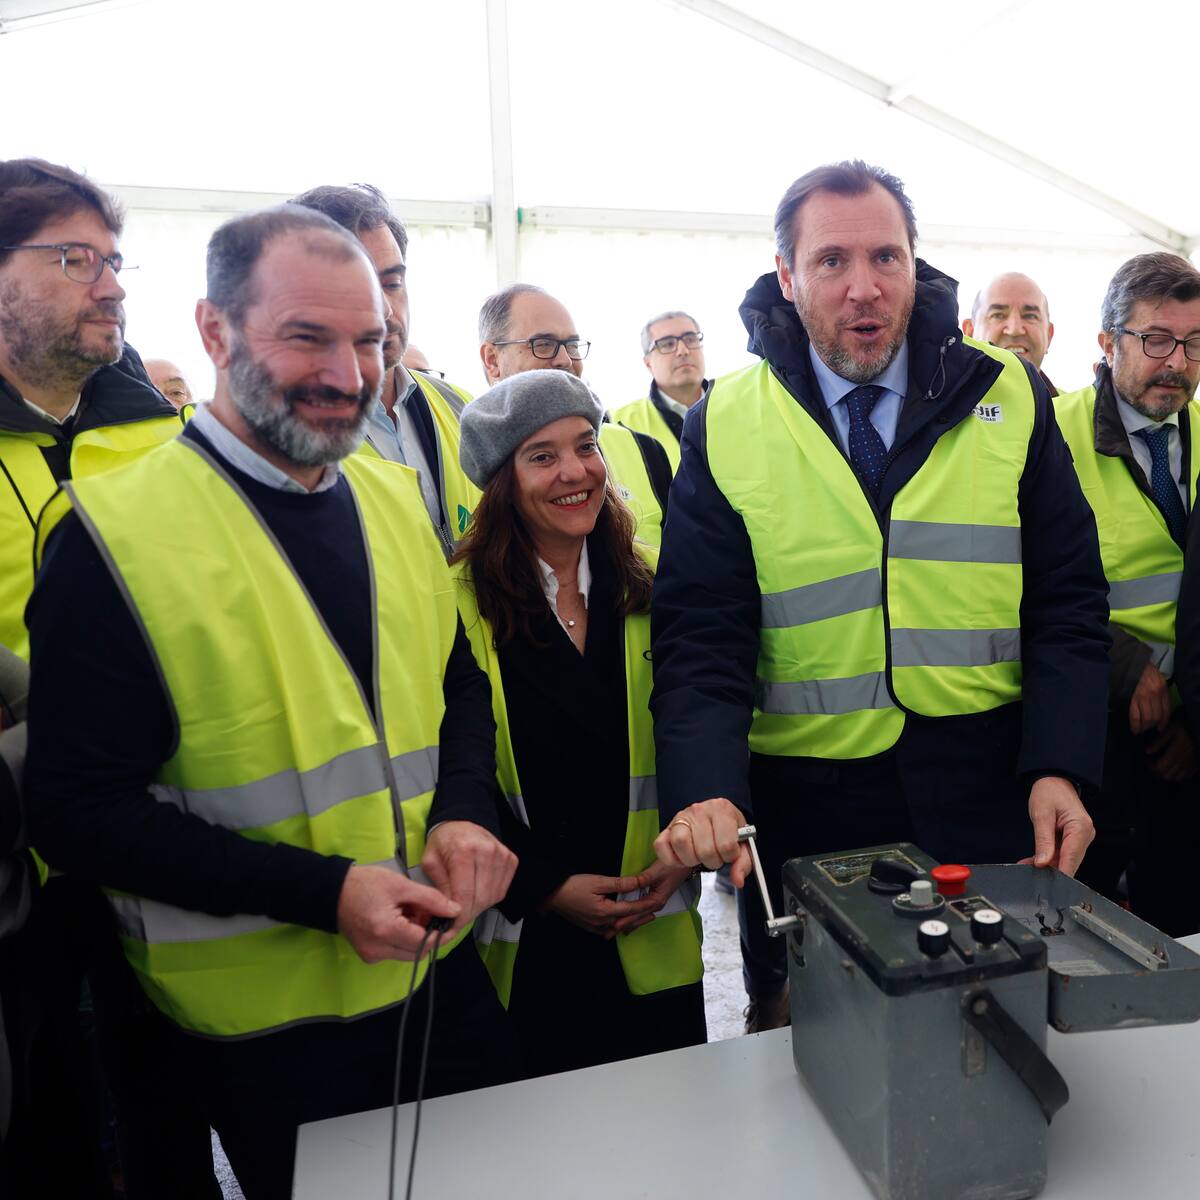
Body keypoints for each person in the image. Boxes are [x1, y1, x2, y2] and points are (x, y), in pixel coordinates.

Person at [24, 205, 520, 1200]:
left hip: (437, 980)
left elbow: (457, 683)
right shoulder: (113, 534)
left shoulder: (390, 498)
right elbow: (75, 812)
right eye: (307, 337)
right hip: (264, 1034)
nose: (348, 373)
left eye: (369, 340)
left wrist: (467, 809)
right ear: (214, 331)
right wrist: (324, 895)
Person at [650, 161, 1110, 1029]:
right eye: (831, 261)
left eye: (885, 258)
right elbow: (700, 633)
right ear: (787, 277)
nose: (863, 288)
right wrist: (707, 788)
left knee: (995, 1029)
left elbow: (1068, 600)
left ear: (913, 263)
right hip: (807, 813)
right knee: (818, 1044)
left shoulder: (1007, 395)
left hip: (987, 794)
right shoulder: (728, 420)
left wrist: (1060, 764)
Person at [0, 157, 204, 1199]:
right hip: (15, 879)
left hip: (160, 838)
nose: (112, 284)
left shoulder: (163, 434)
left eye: (114, 260)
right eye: (75, 260)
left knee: (168, 1119)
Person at [451, 368, 705, 1077]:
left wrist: (684, 851)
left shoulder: (655, 582)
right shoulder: (456, 604)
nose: (575, 471)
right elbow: (452, 770)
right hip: (533, 938)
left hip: (654, 918)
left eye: (586, 446)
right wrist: (547, 887)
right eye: (543, 456)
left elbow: (697, 724)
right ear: (501, 482)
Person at [1055, 252, 1200, 936]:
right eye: (1156, 339)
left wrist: (1193, 722)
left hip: (1186, 741)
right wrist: (1124, 666)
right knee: (1082, 938)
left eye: (1194, 343)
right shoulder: (1050, 434)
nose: (1177, 363)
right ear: (1108, 342)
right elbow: (1012, 581)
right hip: (1091, 738)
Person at [292, 183, 480, 554]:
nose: (386, 310)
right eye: (356, 285)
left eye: (392, 283)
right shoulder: (281, 438)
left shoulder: (461, 407)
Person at [478, 283, 674, 547]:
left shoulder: (643, 450)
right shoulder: (466, 465)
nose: (565, 360)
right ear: (492, 359)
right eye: (543, 344)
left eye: (571, 345)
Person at [612, 310, 711, 472]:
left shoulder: (739, 404)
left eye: (690, 339)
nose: (683, 351)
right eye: (667, 344)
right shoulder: (617, 423)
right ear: (648, 363)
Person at [963, 272, 1059, 395]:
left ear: (1049, 335)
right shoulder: (943, 404)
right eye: (998, 315)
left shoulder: (1073, 406)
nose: (1015, 330)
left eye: (1030, 316)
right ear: (969, 332)